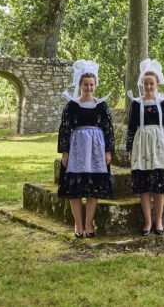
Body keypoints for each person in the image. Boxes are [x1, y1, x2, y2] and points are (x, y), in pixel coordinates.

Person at [57, 60, 114, 239]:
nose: (88, 87)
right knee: (75, 188)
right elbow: (65, 128)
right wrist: (64, 152)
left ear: (95, 85)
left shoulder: (102, 106)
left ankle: (89, 222)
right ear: (80, 85)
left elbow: (108, 128)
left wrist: (108, 151)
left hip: (96, 151)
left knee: (93, 189)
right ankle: (78, 223)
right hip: (77, 151)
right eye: (85, 84)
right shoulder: (72, 105)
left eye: (91, 84)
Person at [126, 59, 164, 235]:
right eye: (146, 83)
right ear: (142, 84)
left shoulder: (163, 103)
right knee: (144, 186)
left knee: (158, 186)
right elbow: (131, 128)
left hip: (158, 146)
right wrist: (130, 150)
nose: (148, 86)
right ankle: (147, 221)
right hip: (141, 146)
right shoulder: (136, 104)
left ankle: (159, 220)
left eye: (151, 83)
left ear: (157, 84)